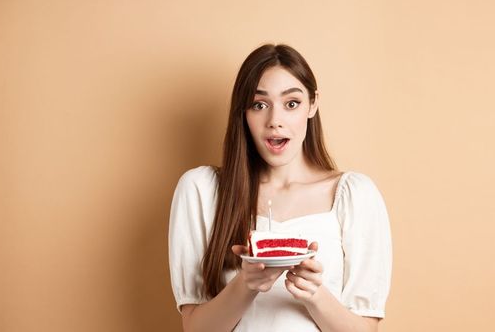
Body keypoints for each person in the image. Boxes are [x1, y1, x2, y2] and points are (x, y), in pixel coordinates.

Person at [168, 43, 392, 331]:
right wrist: (246, 284)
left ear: (313, 104)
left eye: (291, 103)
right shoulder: (201, 191)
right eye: (259, 105)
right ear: (243, 113)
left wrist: (315, 295)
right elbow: (195, 329)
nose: (275, 121)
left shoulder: (355, 196)